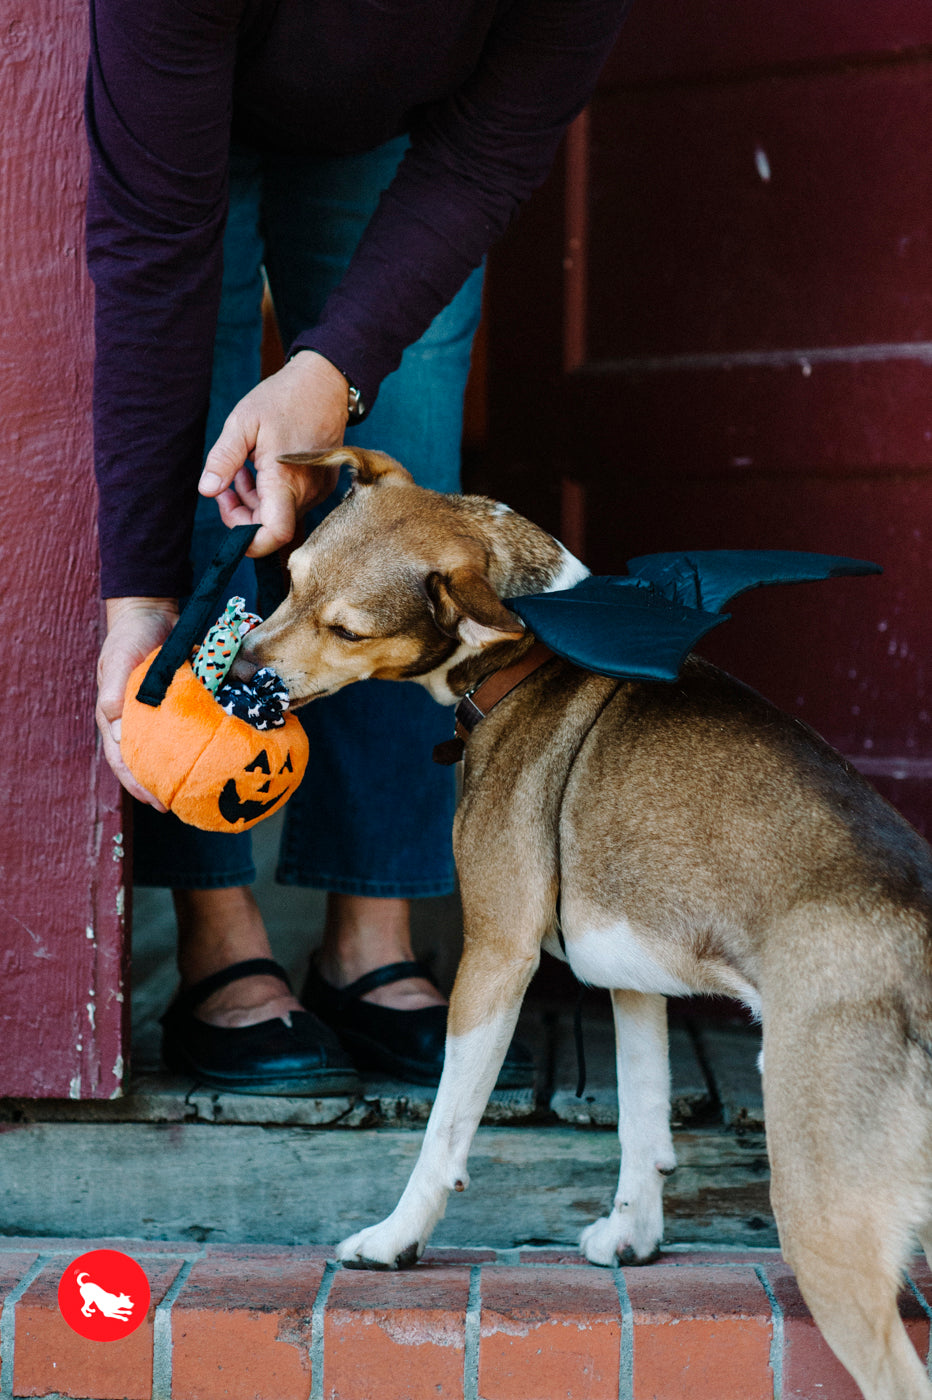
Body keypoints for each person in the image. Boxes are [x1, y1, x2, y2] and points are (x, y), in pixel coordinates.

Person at [87, 0, 630, 1095]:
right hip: (190, 101)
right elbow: (154, 256)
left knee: (407, 457)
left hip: (400, 133)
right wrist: (139, 603)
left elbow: (480, 161)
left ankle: (370, 931)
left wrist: (334, 370)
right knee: (213, 454)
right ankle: (217, 928)